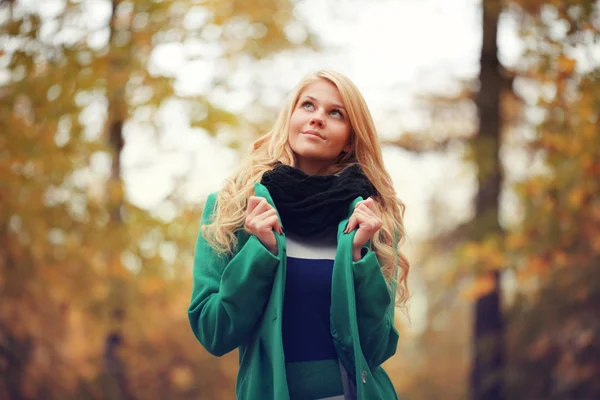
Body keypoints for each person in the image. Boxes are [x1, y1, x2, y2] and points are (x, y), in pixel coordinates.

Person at [188, 70, 410, 400]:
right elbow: (213, 332)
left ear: (350, 137)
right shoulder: (232, 208)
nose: (317, 118)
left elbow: (377, 349)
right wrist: (258, 253)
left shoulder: (370, 219)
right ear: (290, 117)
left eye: (336, 113)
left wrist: (359, 258)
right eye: (308, 105)